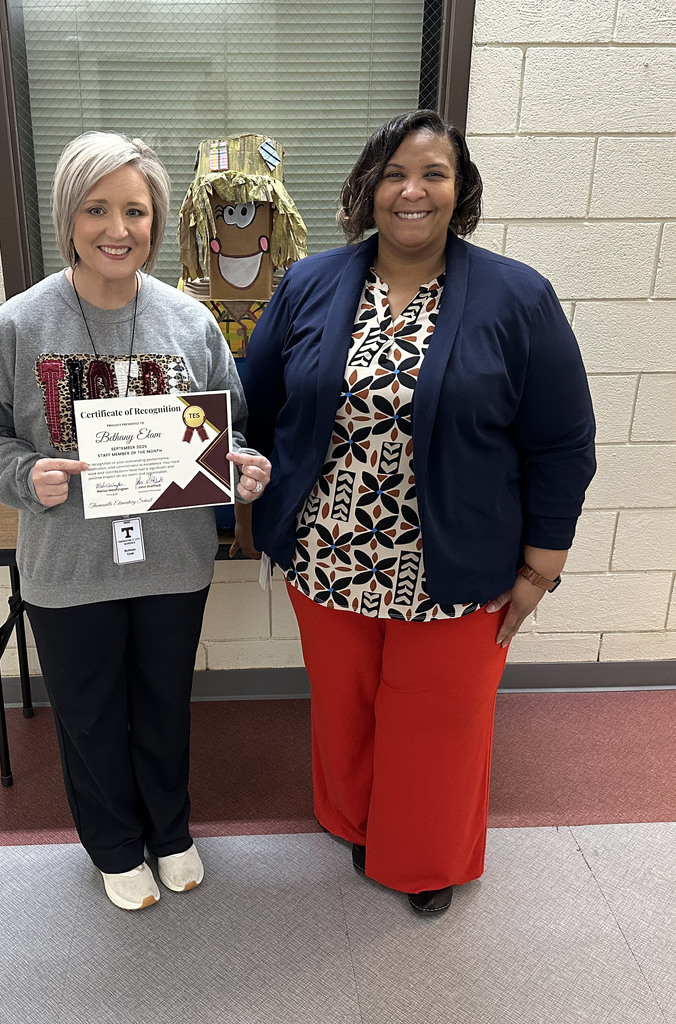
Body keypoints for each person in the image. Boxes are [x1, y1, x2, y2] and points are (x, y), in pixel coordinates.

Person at [235, 110, 595, 915]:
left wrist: (543, 567)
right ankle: (358, 821)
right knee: (348, 709)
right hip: (328, 558)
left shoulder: (518, 296)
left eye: (434, 173)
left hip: (457, 567)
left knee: (439, 725)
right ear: (368, 187)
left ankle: (423, 859)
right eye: (395, 173)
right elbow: (254, 402)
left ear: (460, 191)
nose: (412, 190)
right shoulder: (309, 283)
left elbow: (564, 442)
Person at [0, 132, 270, 911]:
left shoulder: (189, 323)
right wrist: (25, 474)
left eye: (135, 210)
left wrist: (244, 470)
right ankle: (115, 846)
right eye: (97, 209)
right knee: (89, 717)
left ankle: (169, 831)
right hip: (69, 565)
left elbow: (230, 431)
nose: (117, 229)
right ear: (69, 216)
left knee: (162, 707)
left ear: (156, 221)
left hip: (172, 563)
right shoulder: (18, 327)